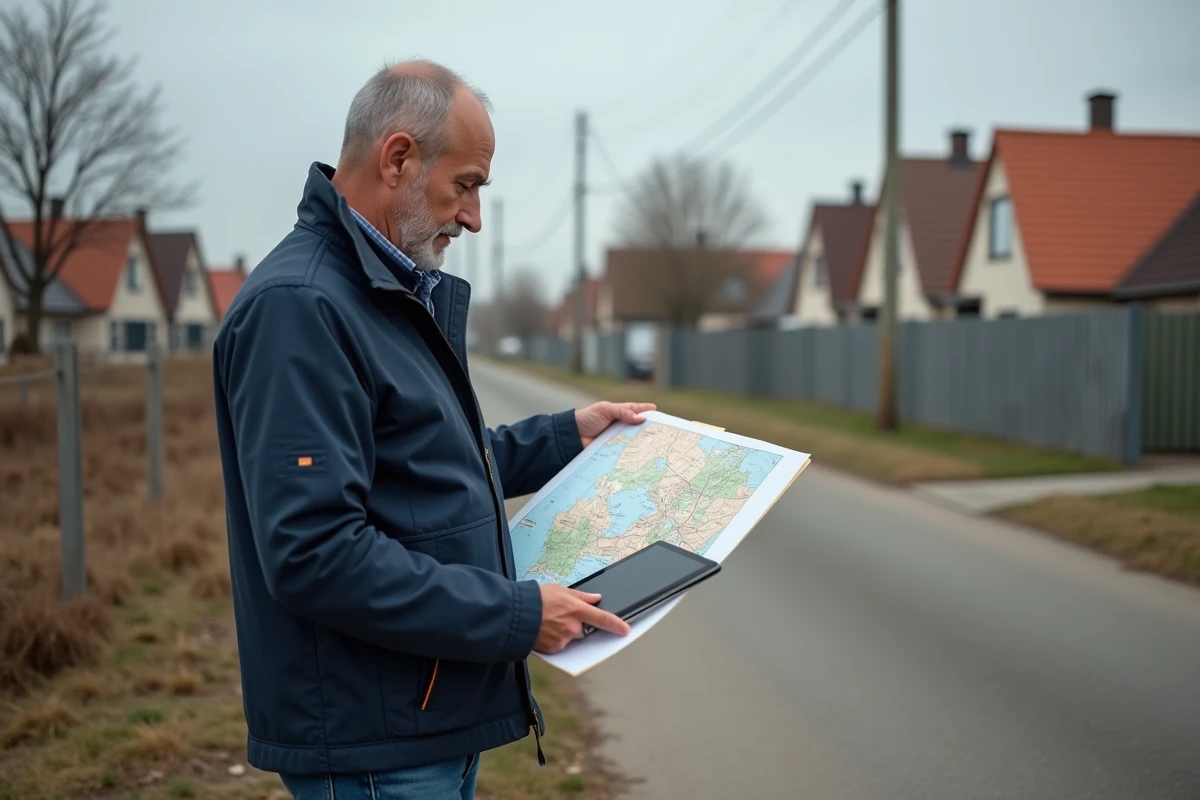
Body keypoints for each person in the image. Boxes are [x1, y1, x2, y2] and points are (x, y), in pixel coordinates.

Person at [211, 60, 652, 800]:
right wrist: (515, 617)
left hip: (414, 720)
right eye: (467, 185)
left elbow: (425, 466)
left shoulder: (378, 291)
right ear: (398, 158)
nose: (474, 218)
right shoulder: (302, 309)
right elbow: (315, 553)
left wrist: (565, 436)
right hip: (373, 745)